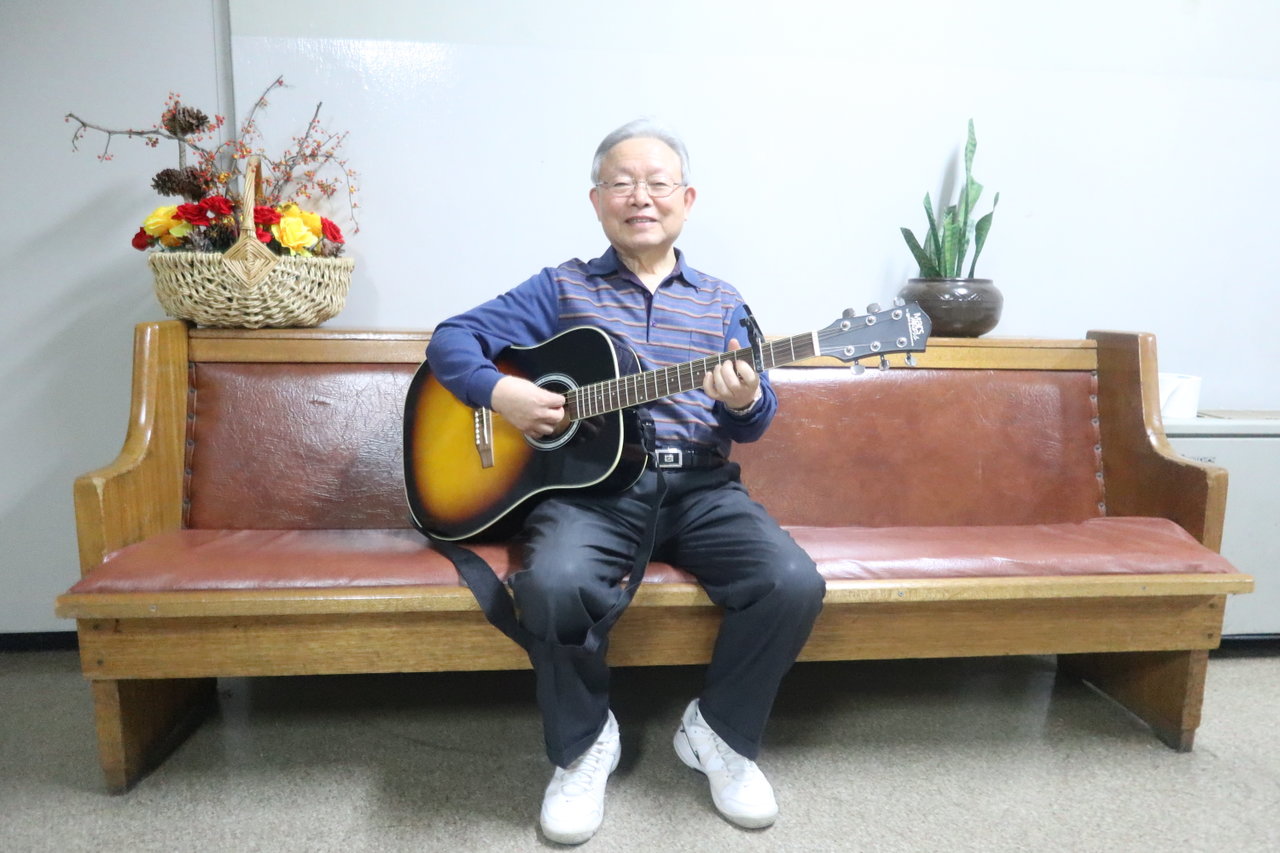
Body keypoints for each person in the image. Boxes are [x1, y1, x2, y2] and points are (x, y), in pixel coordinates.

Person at [425, 119, 825, 845]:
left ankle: (717, 733)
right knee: (553, 584)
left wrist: (744, 400)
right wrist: (501, 393)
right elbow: (451, 339)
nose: (641, 197)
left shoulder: (723, 302)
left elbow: (755, 420)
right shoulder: (560, 288)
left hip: (701, 488)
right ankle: (583, 746)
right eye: (621, 183)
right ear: (597, 200)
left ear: (686, 199)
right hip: (592, 492)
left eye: (658, 183)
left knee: (792, 582)